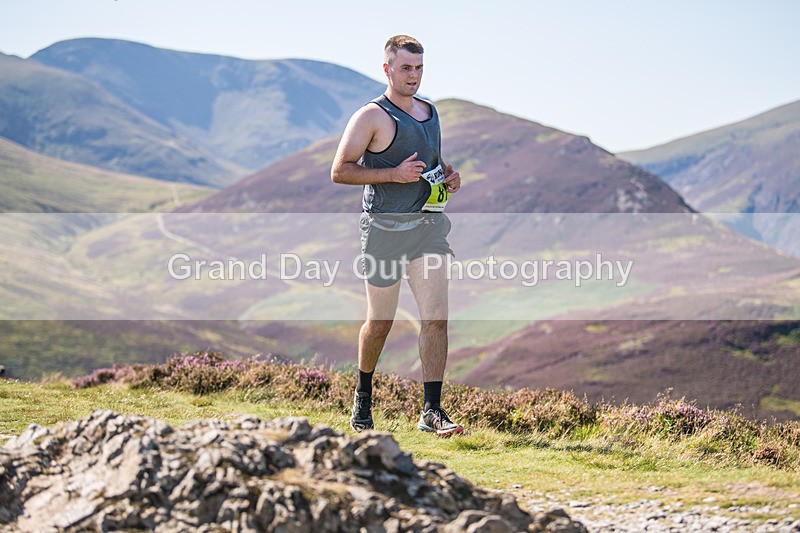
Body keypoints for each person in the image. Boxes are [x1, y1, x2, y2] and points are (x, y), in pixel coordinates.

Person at [331, 35, 464, 437]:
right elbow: (341, 170)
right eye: (406, 68)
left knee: (436, 319)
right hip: (384, 232)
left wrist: (449, 175)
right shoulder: (370, 116)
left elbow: (433, 161)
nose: (414, 76)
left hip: (428, 229)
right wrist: (392, 174)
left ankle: (431, 411)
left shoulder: (430, 111)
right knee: (381, 321)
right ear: (387, 69)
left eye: (419, 68)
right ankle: (363, 395)